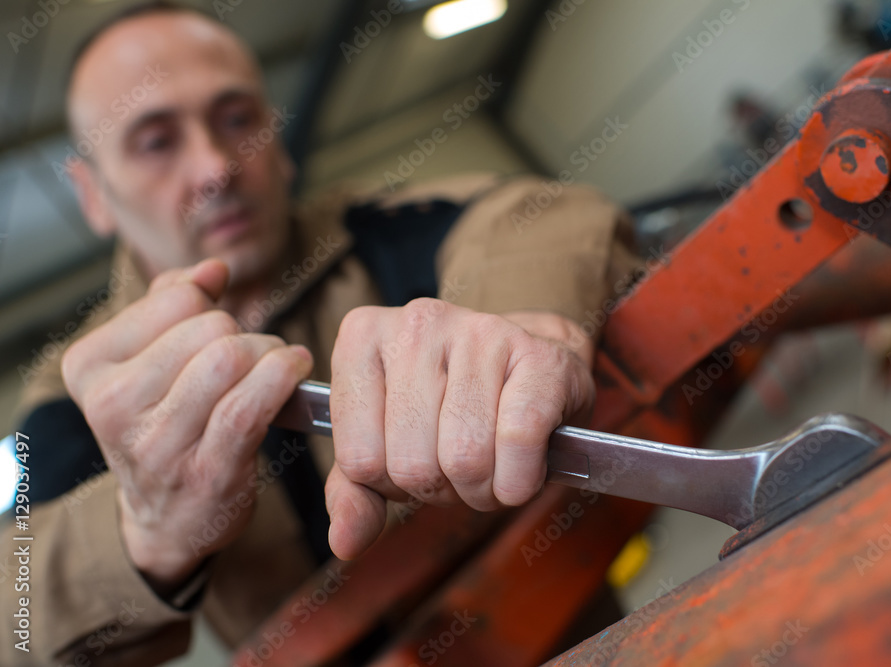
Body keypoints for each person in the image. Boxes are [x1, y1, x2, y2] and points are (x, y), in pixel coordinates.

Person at [0, 2, 639, 664]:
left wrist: (515, 327)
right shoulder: (77, 392)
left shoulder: (385, 228)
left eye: (238, 119)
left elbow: (541, 215)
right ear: (93, 195)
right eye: (157, 141)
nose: (216, 167)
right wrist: (142, 531)